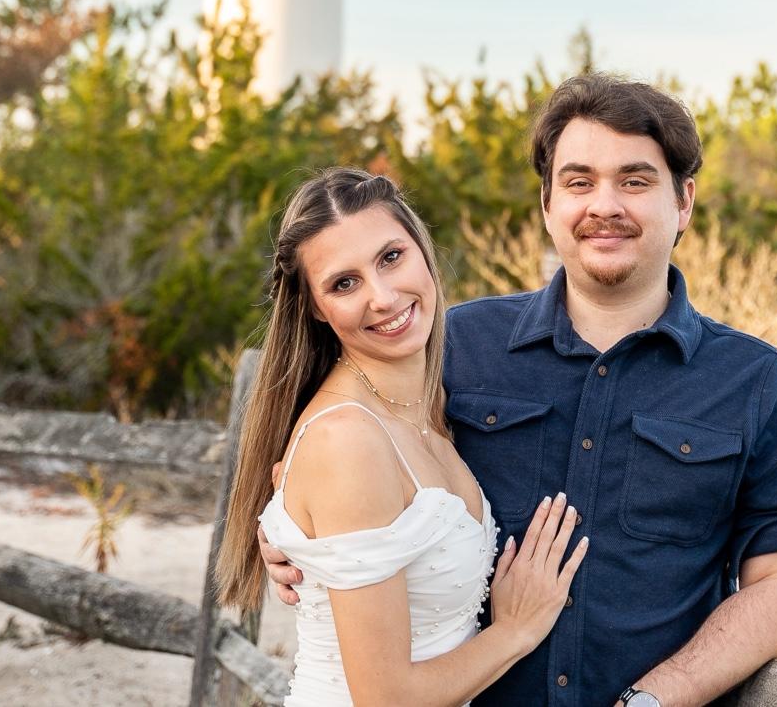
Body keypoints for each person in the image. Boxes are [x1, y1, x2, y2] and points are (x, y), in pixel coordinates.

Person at [261, 75, 777, 707]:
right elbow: (341, 465)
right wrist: (302, 548)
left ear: (683, 202)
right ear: (547, 204)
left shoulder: (755, 382)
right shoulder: (448, 346)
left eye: (635, 180)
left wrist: (652, 700)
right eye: (578, 182)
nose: (604, 205)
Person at [216, 167, 589, 706]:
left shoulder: (428, 405)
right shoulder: (347, 439)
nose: (384, 297)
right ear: (315, 307)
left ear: (422, 248)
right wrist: (516, 631)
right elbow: (386, 698)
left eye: (391, 257)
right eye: (344, 283)